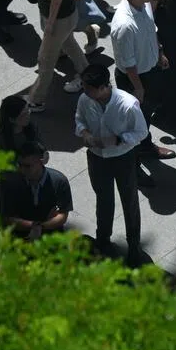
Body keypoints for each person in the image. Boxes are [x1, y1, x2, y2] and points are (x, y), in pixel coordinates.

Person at [75, 64, 148, 264]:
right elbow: (79, 119)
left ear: (102, 87)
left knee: (129, 201)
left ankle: (134, 247)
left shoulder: (127, 104)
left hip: (122, 158)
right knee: (103, 199)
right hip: (97, 158)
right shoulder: (85, 99)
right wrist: (85, 133)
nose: (84, 91)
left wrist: (117, 140)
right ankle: (103, 239)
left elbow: (141, 132)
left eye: (88, 88)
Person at [110, 0, 176, 172]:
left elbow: (151, 30)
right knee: (133, 121)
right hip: (134, 79)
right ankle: (133, 162)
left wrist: (159, 53)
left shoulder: (144, 4)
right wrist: (138, 88)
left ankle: (145, 146)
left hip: (150, 70)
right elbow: (128, 62)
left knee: (146, 114)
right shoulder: (124, 24)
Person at [0, 141, 72, 239]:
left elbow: (63, 216)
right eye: (20, 165)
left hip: (50, 236)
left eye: (28, 166)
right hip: (21, 237)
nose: (22, 170)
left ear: (41, 162)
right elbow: (8, 218)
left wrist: (39, 227)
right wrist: (35, 226)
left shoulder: (59, 181)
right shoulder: (12, 183)